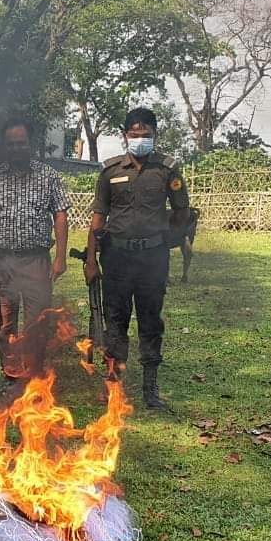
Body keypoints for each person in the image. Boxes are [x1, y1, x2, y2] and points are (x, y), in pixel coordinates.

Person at [83, 107, 190, 410]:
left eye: (146, 134)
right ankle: (113, 386)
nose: (140, 139)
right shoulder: (110, 172)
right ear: (125, 135)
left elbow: (181, 211)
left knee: (150, 320)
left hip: (152, 259)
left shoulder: (167, 170)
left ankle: (150, 388)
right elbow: (98, 219)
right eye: (134, 134)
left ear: (155, 135)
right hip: (116, 257)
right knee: (115, 320)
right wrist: (91, 261)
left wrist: (167, 239)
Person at [0, 116, 71, 384]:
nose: (16, 148)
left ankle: (33, 378)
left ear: (30, 143)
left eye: (21, 143)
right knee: (5, 323)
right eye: (11, 144)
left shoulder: (48, 176)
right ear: (4, 146)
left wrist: (61, 257)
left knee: (38, 321)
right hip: (2, 262)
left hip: (36, 261)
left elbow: (60, 215)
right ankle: (11, 375)